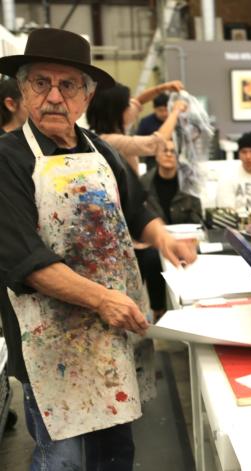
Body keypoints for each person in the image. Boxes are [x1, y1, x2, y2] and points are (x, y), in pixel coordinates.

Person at [0, 28, 196, 470]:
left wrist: (164, 237)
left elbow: (138, 208)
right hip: (49, 343)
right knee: (63, 459)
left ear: (85, 97)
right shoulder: (8, 159)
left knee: (115, 454)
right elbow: (24, 261)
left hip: (110, 337)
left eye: (67, 85)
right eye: (40, 83)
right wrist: (103, 298)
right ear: (24, 91)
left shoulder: (100, 150)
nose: (54, 96)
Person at [138, 138, 203, 319]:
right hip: (154, 240)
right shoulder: (143, 183)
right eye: (164, 150)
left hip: (184, 236)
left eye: (172, 151)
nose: (168, 154)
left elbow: (197, 217)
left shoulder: (188, 183)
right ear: (156, 155)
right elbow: (139, 217)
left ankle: (194, 307)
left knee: (195, 254)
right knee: (151, 258)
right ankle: (159, 311)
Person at [86, 80, 184, 174]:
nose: (131, 107)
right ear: (117, 112)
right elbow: (155, 143)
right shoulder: (110, 141)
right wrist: (176, 111)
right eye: (127, 105)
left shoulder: (111, 127)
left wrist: (162, 88)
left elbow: (139, 101)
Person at [136, 93, 170, 170]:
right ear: (154, 109)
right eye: (161, 110)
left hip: (173, 158)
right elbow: (138, 144)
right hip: (152, 161)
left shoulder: (175, 120)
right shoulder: (145, 122)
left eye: (166, 110)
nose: (164, 113)